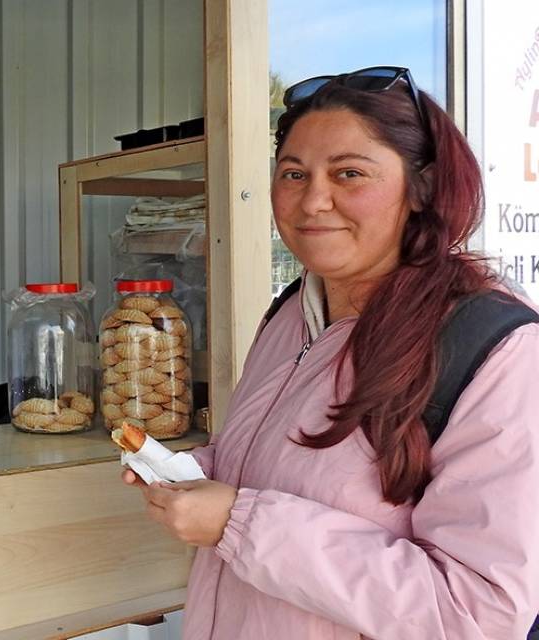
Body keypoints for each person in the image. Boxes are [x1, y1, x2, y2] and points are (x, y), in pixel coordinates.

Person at [122, 67, 539, 638]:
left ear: (422, 187)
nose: (314, 201)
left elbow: (476, 612)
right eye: (294, 173)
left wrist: (239, 523)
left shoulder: (495, 349)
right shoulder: (292, 312)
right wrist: (194, 473)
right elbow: (291, 472)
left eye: (349, 173)